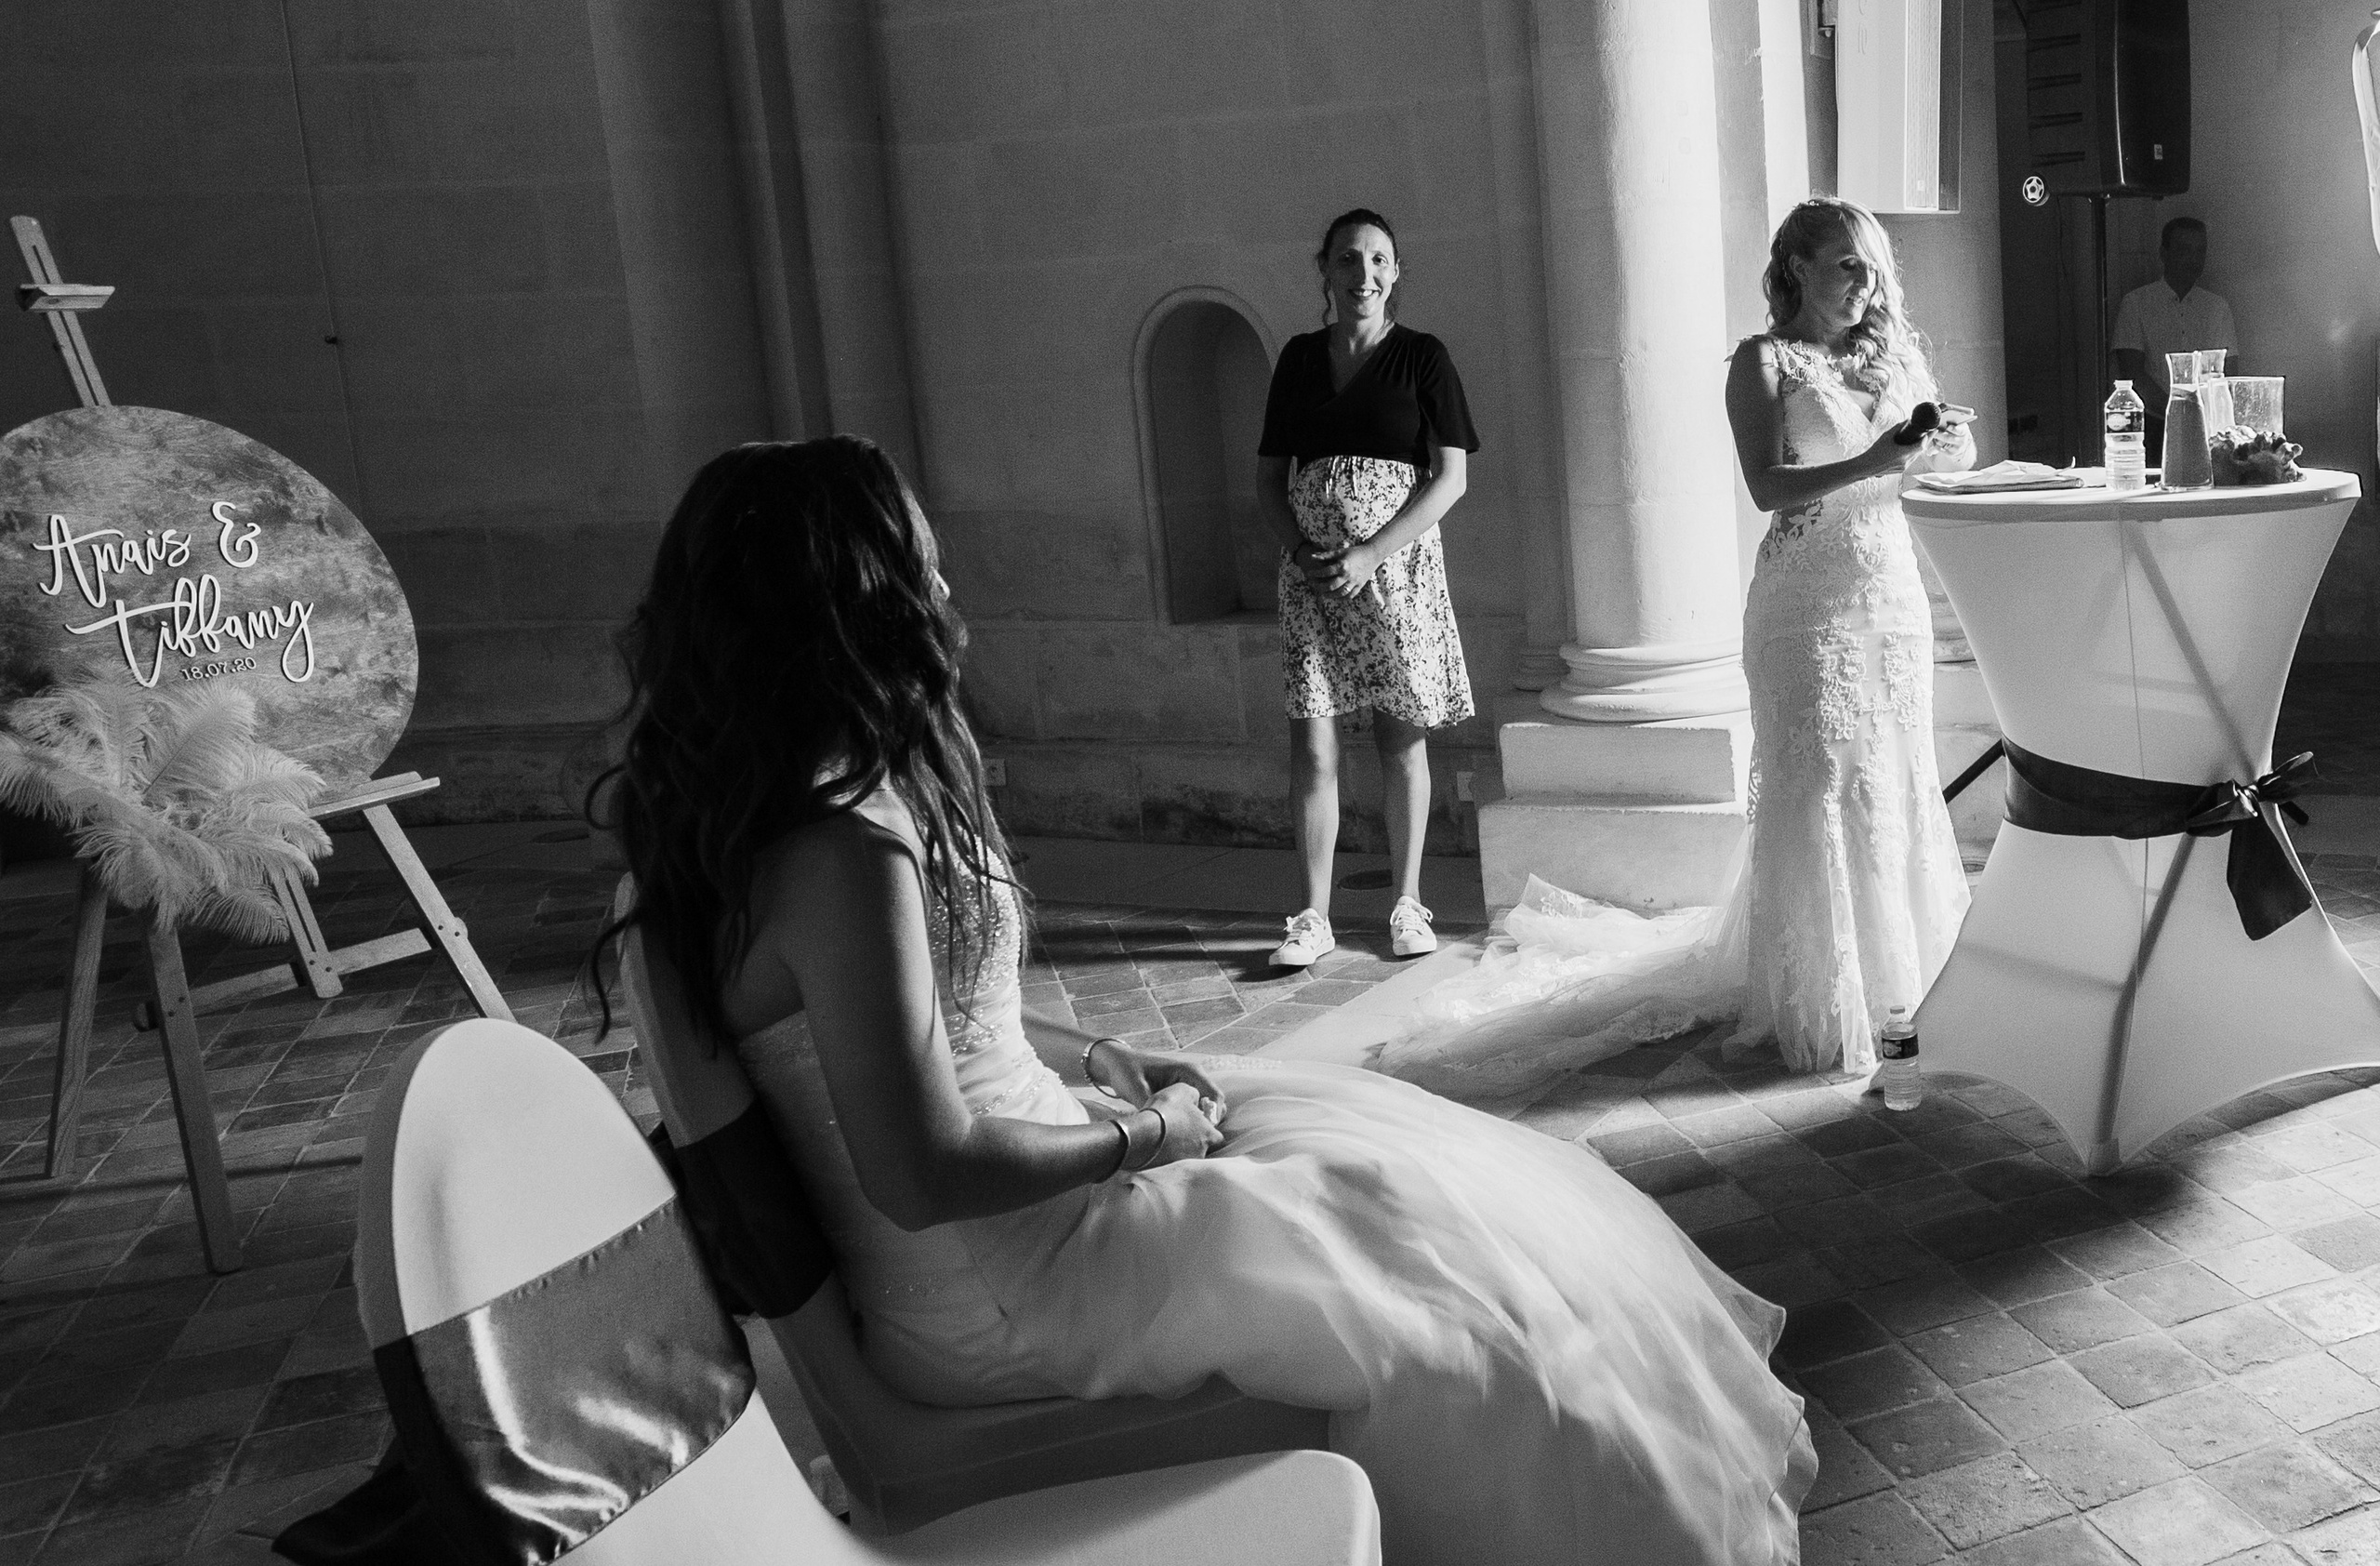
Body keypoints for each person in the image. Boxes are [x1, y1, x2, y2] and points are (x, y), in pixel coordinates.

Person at [595, 436, 1813, 1566]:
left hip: (1019, 1216)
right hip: (1011, 1293)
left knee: (1424, 1199)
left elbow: (939, 1037)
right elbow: (919, 1171)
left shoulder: (761, 827)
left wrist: (1110, 1056)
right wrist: (1141, 1137)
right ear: (848, 613)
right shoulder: (845, 849)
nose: (950, 599)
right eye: (923, 570)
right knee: (1455, 1313)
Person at [1375, 197, 1973, 1101]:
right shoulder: (1762, 361)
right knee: (1818, 787)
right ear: (1797, 268)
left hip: (1886, 601)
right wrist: (1878, 456)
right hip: (1803, 606)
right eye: (1848, 263)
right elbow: (1770, 486)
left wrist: (1943, 450)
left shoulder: (1892, 355)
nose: (1867, 282)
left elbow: (1930, 472)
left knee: (1892, 780)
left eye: (1875, 265)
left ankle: (1915, 980)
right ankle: (1823, 992)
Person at [1256, 208, 1478, 967]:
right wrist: (1305, 553)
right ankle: (1310, 919)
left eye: (1379, 260)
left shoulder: (1423, 357)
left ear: (1395, 273)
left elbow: (1450, 479)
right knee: (1313, 744)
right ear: (1325, 271)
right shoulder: (1296, 360)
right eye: (1348, 260)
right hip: (1314, 579)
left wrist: (1371, 554)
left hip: (1398, 574)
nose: (1365, 275)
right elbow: (1267, 482)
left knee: (1399, 736)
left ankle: (1408, 905)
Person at [2112, 216, 2239, 454]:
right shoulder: (2136, 303)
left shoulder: (2217, 307)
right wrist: (2178, 413)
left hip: (2209, 429)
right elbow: (2132, 376)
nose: (2193, 259)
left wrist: (2203, 418)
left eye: (2200, 251)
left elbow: (2228, 375)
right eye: (2184, 250)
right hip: (2152, 429)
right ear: (2163, 253)